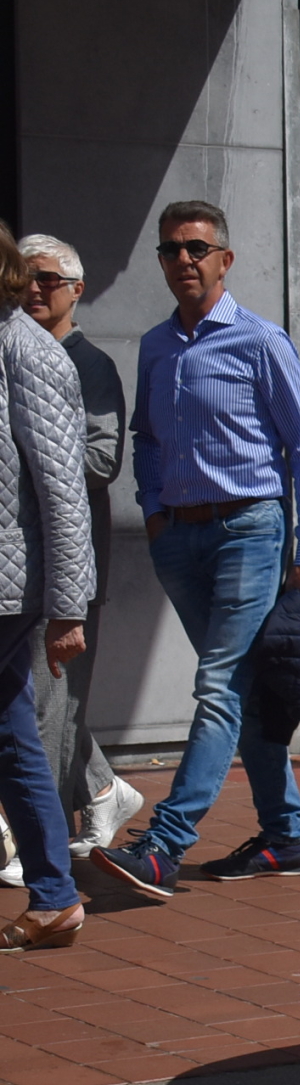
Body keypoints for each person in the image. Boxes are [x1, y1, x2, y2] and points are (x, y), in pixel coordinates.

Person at [92, 201, 300, 901]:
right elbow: (145, 439)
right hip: (181, 540)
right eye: (171, 251)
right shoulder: (156, 346)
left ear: (224, 260)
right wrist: (156, 511)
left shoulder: (261, 342)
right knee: (243, 689)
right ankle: (286, 835)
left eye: (197, 248)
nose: (184, 261)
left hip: (249, 531)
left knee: (219, 684)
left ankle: (165, 846)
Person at [18, 234, 143, 860]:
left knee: (49, 701)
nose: (34, 288)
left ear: (77, 290)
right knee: (38, 699)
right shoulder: (15, 350)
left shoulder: (87, 365)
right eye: (25, 276)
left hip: (68, 558)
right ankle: (102, 788)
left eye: (48, 279)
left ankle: (36, 840)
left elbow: (102, 458)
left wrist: (29, 454)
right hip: (19, 556)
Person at [0, 222, 98, 950]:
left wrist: (69, 605)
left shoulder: (27, 351)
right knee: (12, 737)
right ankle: (55, 894)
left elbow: (64, 489)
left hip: (7, 590)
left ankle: (55, 891)